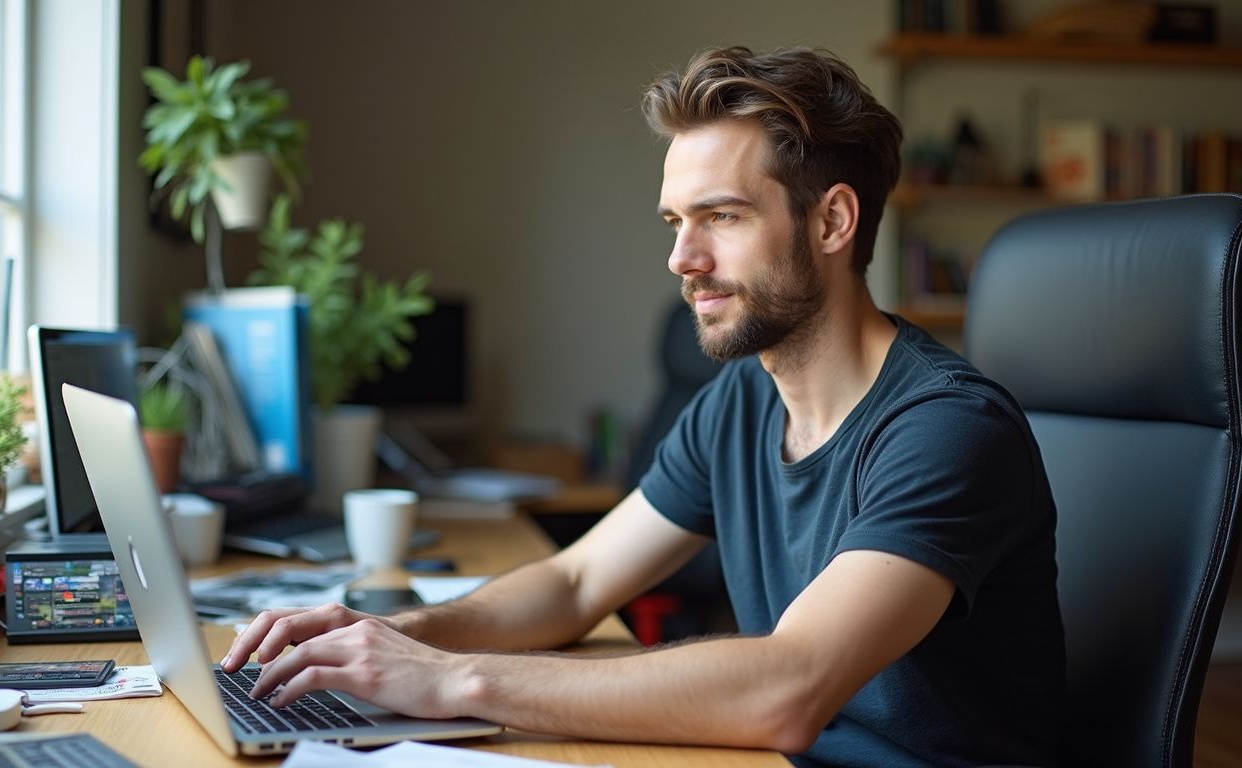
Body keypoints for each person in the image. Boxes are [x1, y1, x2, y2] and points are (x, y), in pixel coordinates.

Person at [222, 46, 1064, 767]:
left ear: (833, 221)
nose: (681, 258)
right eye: (674, 221)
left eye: (721, 217)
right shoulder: (739, 401)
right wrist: (391, 638)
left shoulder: (947, 429)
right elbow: (576, 580)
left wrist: (452, 681)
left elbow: (790, 686)